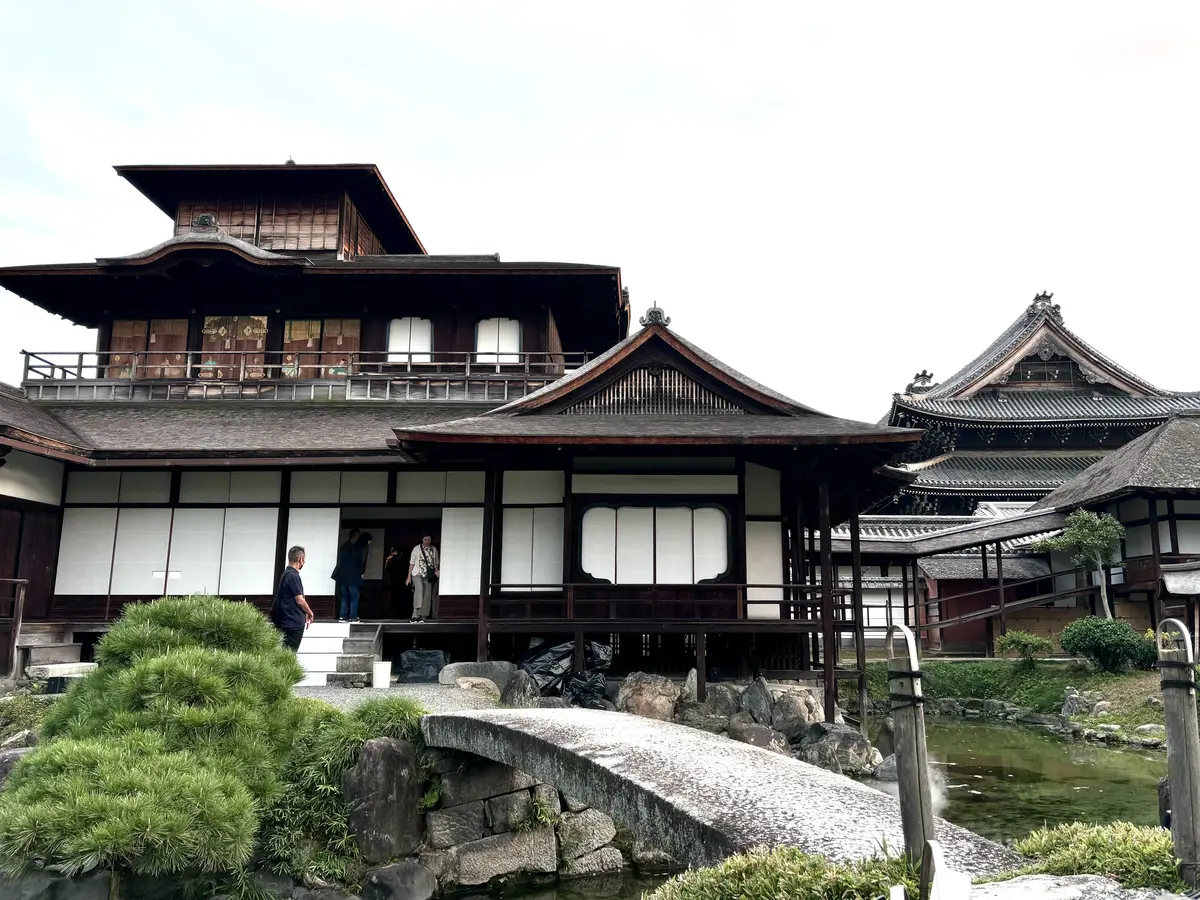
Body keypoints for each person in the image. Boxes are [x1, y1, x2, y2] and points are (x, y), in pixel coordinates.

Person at [271, 545, 313, 651]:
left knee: (284, 653)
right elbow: (300, 600)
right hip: (293, 622)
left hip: (284, 620)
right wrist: (310, 613)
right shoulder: (293, 576)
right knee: (289, 655)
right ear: (300, 559)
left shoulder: (285, 574)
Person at [406, 533, 439, 624]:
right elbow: (412, 563)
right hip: (417, 573)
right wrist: (408, 577)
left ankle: (423, 616)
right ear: (422, 540)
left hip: (428, 575)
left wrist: (436, 571)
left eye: (429, 539)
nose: (427, 541)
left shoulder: (434, 549)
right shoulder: (416, 549)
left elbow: (436, 562)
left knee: (427, 595)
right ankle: (415, 615)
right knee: (419, 591)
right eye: (425, 539)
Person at [335, 529, 365, 623]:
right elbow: (359, 562)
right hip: (352, 575)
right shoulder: (355, 548)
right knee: (354, 596)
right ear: (355, 536)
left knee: (345, 596)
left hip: (342, 575)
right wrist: (361, 572)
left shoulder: (343, 547)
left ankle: (343, 616)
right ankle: (353, 617)